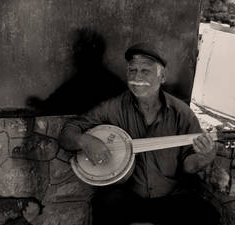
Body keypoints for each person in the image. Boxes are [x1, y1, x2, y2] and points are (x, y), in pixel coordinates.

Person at [59, 43, 220, 225]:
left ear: (163, 76)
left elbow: (189, 166)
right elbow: (67, 132)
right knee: (104, 207)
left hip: (170, 198)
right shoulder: (113, 108)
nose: (136, 77)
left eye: (145, 71)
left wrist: (205, 156)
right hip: (127, 198)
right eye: (132, 70)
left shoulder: (182, 114)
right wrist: (85, 141)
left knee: (207, 215)